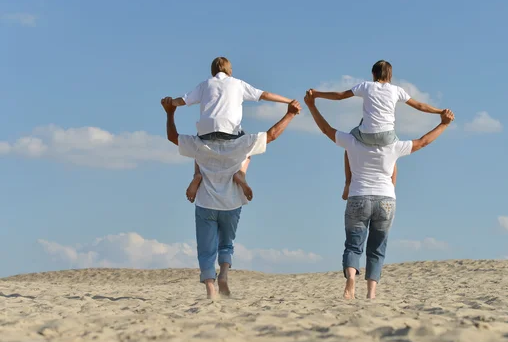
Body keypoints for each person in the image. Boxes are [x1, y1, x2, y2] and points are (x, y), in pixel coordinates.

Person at [304, 91, 454, 300]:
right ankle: (371, 293)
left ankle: (351, 281)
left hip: (358, 197)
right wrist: (443, 124)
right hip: (385, 200)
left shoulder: (351, 142)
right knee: (377, 248)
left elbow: (326, 129)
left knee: (353, 244)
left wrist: (311, 105)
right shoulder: (393, 145)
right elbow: (423, 141)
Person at [161, 96, 301, 299]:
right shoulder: (242, 142)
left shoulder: (200, 142)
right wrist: (290, 114)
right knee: (226, 244)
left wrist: (170, 113)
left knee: (206, 248)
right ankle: (224, 274)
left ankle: (210, 289)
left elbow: (173, 137)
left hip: (206, 202)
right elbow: (271, 135)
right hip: (232, 202)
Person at [308, 60, 448, 200]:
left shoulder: (365, 86)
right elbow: (420, 106)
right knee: (394, 153)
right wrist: (441, 111)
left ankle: (348, 183)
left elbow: (340, 96)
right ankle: (391, 188)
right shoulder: (397, 90)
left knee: (349, 142)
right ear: (390, 75)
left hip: (365, 134)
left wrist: (317, 94)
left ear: (373, 74)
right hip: (387, 136)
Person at [168, 57, 293, 203]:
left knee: (199, 145)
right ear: (230, 71)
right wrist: (289, 101)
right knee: (248, 147)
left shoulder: (205, 85)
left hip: (205, 132)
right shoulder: (238, 84)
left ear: (212, 72)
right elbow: (264, 95)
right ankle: (241, 173)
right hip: (230, 132)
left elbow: (181, 101)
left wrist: (169, 102)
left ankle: (197, 175)